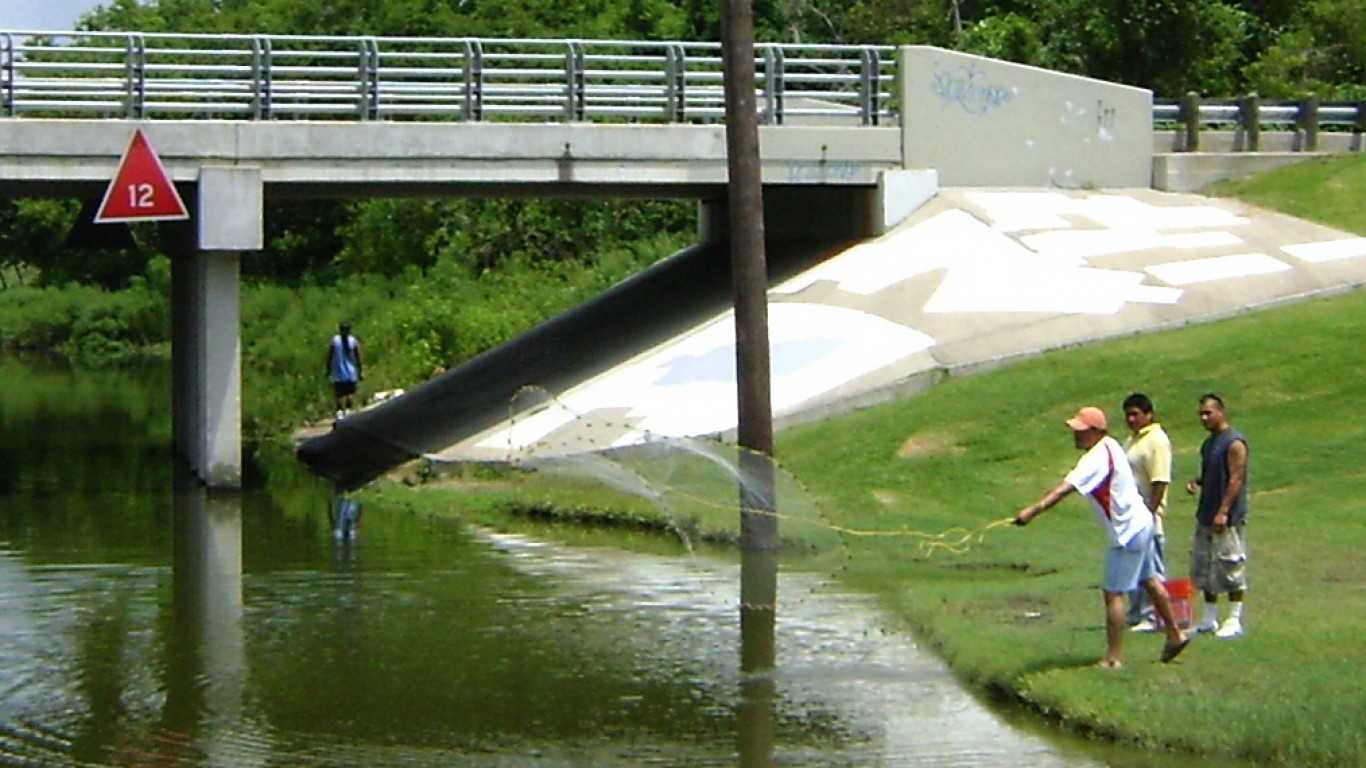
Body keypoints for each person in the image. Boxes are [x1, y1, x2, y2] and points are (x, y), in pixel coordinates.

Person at [1013, 405, 1189, 668]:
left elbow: (1064, 489)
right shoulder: (1111, 446)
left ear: (1096, 431)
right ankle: (1175, 635)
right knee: (1150, 581)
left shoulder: (1095, 459)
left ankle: (1113, 658)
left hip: (1127, 533)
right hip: (1142, 523)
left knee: (1113, 593)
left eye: (1081, 430)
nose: (1075, 434)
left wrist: (1033, 510)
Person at [1184, 393, 1249, 639]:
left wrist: (1224, 511)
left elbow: (1236, 479)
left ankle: (1234, 618)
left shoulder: (1234, 443)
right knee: (1205, 565)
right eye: (1201, 413)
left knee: (1230, 565)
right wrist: (1197, 482)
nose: (1204, 418)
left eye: (1208, 413)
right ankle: (1209, 618)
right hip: (1206, 513)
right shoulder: (1209, 444)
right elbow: (1211, 472)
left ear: (1221, 412)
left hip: (1227, 517)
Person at [1121, 393, 1172, 633]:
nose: (1130, 419)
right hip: (1130, 517)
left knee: (1152, 569)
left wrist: (1150, 513)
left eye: (1135, 414)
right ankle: (1135, 614)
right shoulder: (1132, 441)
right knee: (1135, 568)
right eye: (1127, 415)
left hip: (1147, 516)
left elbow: (1160, 480)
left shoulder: (1156, 441)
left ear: (1148, 414)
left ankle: (1153, 617)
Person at [326, 322, 363, 420]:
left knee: (339, 394)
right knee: (350, 393)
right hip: (351, 373)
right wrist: (360, 371)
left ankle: (339, 412)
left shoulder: (335, 341)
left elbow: (329, 356)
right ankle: (348, 410)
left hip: (338, 373)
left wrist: (328, 370)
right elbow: (358, 357)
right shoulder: (353, 341)